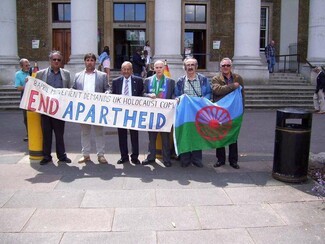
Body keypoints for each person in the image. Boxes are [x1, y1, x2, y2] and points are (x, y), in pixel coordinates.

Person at [72, 53, 110, 164]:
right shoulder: (78, 75)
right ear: (85, 62)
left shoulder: (102, 75)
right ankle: (85, 155)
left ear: (95, 62)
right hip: (83, 109)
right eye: (87, 60)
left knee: (99, 132)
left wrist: (107, 93)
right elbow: (74, 88)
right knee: (85, 132)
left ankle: (101, 155)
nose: (89, 62)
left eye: (92, 60)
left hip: (97, 109)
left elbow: (107, 88)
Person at [36, 50, 72, 165]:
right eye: (54, 59)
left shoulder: (66, 74)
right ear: (50, 60)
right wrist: (28, 82)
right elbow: (35, 88)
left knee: (59, 134)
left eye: (59, 60)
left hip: (60, 110)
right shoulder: (41, 74)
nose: (56, 61)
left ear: (61, 61)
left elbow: (70, 89)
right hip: (45, 109)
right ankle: (46, 156)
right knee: (46, 134)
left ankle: (62, 156)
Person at [175, 57, 212, 168]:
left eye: (192, 65)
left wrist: (204, 100)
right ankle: (185, 159)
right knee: (185, 133)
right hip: (185, 113)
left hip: (198, 112)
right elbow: (175, 95)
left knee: (197, 134)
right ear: (185, 67)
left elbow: (209, 93)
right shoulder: (180, 81)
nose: (190, 67)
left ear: (196, 67)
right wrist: (178, 99)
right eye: (188, 65)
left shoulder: (203, 79)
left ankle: (197, 159)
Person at [211, 57, 244, 169]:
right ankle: (220, 160)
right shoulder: (216, 78)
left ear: (231, 66)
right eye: (223, 65)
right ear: (220, 67)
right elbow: (217, 90)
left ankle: (233, 160)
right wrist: (232, 86)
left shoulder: (238, 78)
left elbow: (241, 94)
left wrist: (242, 109)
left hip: (234, 112)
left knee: (233, 136)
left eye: (228, 65)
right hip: (220, 112)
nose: (225, 67)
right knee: (220, 136)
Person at [142, 60, 175, 167]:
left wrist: (175, 100)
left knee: (165, 138)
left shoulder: (170, 81)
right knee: (152, 137)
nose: (159, 69)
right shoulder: (147, 80)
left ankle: (166, 159)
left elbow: (173, 96)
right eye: (157, 67)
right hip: (152, 114)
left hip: (165, 115)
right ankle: (151, 157)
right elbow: (142, 94)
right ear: (153, 68)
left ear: (164, 68)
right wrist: (148, 95)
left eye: (161, 67)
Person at [112, 61, 144, 165]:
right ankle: (124, 156)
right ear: (121, 70)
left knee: (134, 135)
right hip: (120, 113)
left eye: (128, 69)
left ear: (132, 70)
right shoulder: (116, 81)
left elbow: (141, 95)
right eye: (124, 69)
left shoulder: (138, 81)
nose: (126, 71)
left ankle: (135, 157)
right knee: (122, 135)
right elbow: (113, 96)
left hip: (134, 112)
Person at [14, 58, 31, 142]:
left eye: (29, 65)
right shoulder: (18, 74)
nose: (28, 67)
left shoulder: (33, 72)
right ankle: (29, 133)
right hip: (25, 96)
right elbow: (18, 87)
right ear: (21, 66)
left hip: (35, 97)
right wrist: (27, 85)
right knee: (26, 117)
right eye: (26, 65)